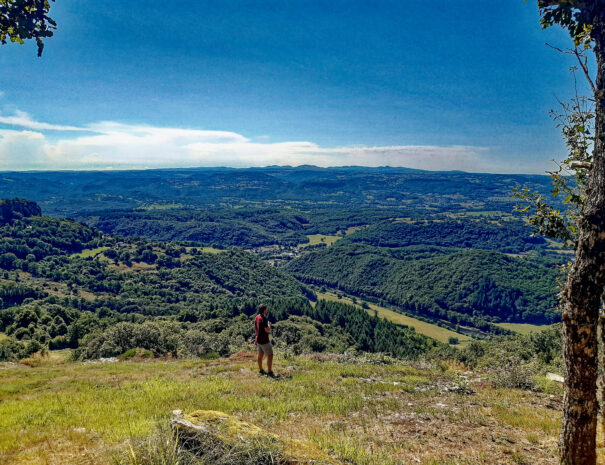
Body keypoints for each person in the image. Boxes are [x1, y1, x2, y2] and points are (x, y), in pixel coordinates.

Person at [255, 303, 275, 377]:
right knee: (270, 355)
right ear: (264, 310)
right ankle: (269, 372)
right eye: (266, 309)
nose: (266, 310)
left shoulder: (257, 317)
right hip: (264, 340)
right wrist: (269, 325)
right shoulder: (264, 319)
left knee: (260, 355)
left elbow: (256, 328)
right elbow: (267, 330)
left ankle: (261, 370)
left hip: (258, 339)